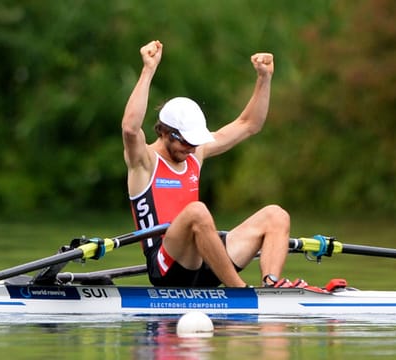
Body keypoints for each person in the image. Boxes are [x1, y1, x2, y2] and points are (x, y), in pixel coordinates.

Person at [122, 39, 303, 288]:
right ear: (165, 132)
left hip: (205, 260)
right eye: (186, 142)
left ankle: (272, 285)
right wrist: (148, 69)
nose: (192, 148)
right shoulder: (143, 162)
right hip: (166, 267)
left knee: (276, 215)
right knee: (198, 211)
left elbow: (249, 125)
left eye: (195, 143)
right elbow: (130, 129)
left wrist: (264, 78)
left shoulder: (196, 152)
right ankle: (239, 290)